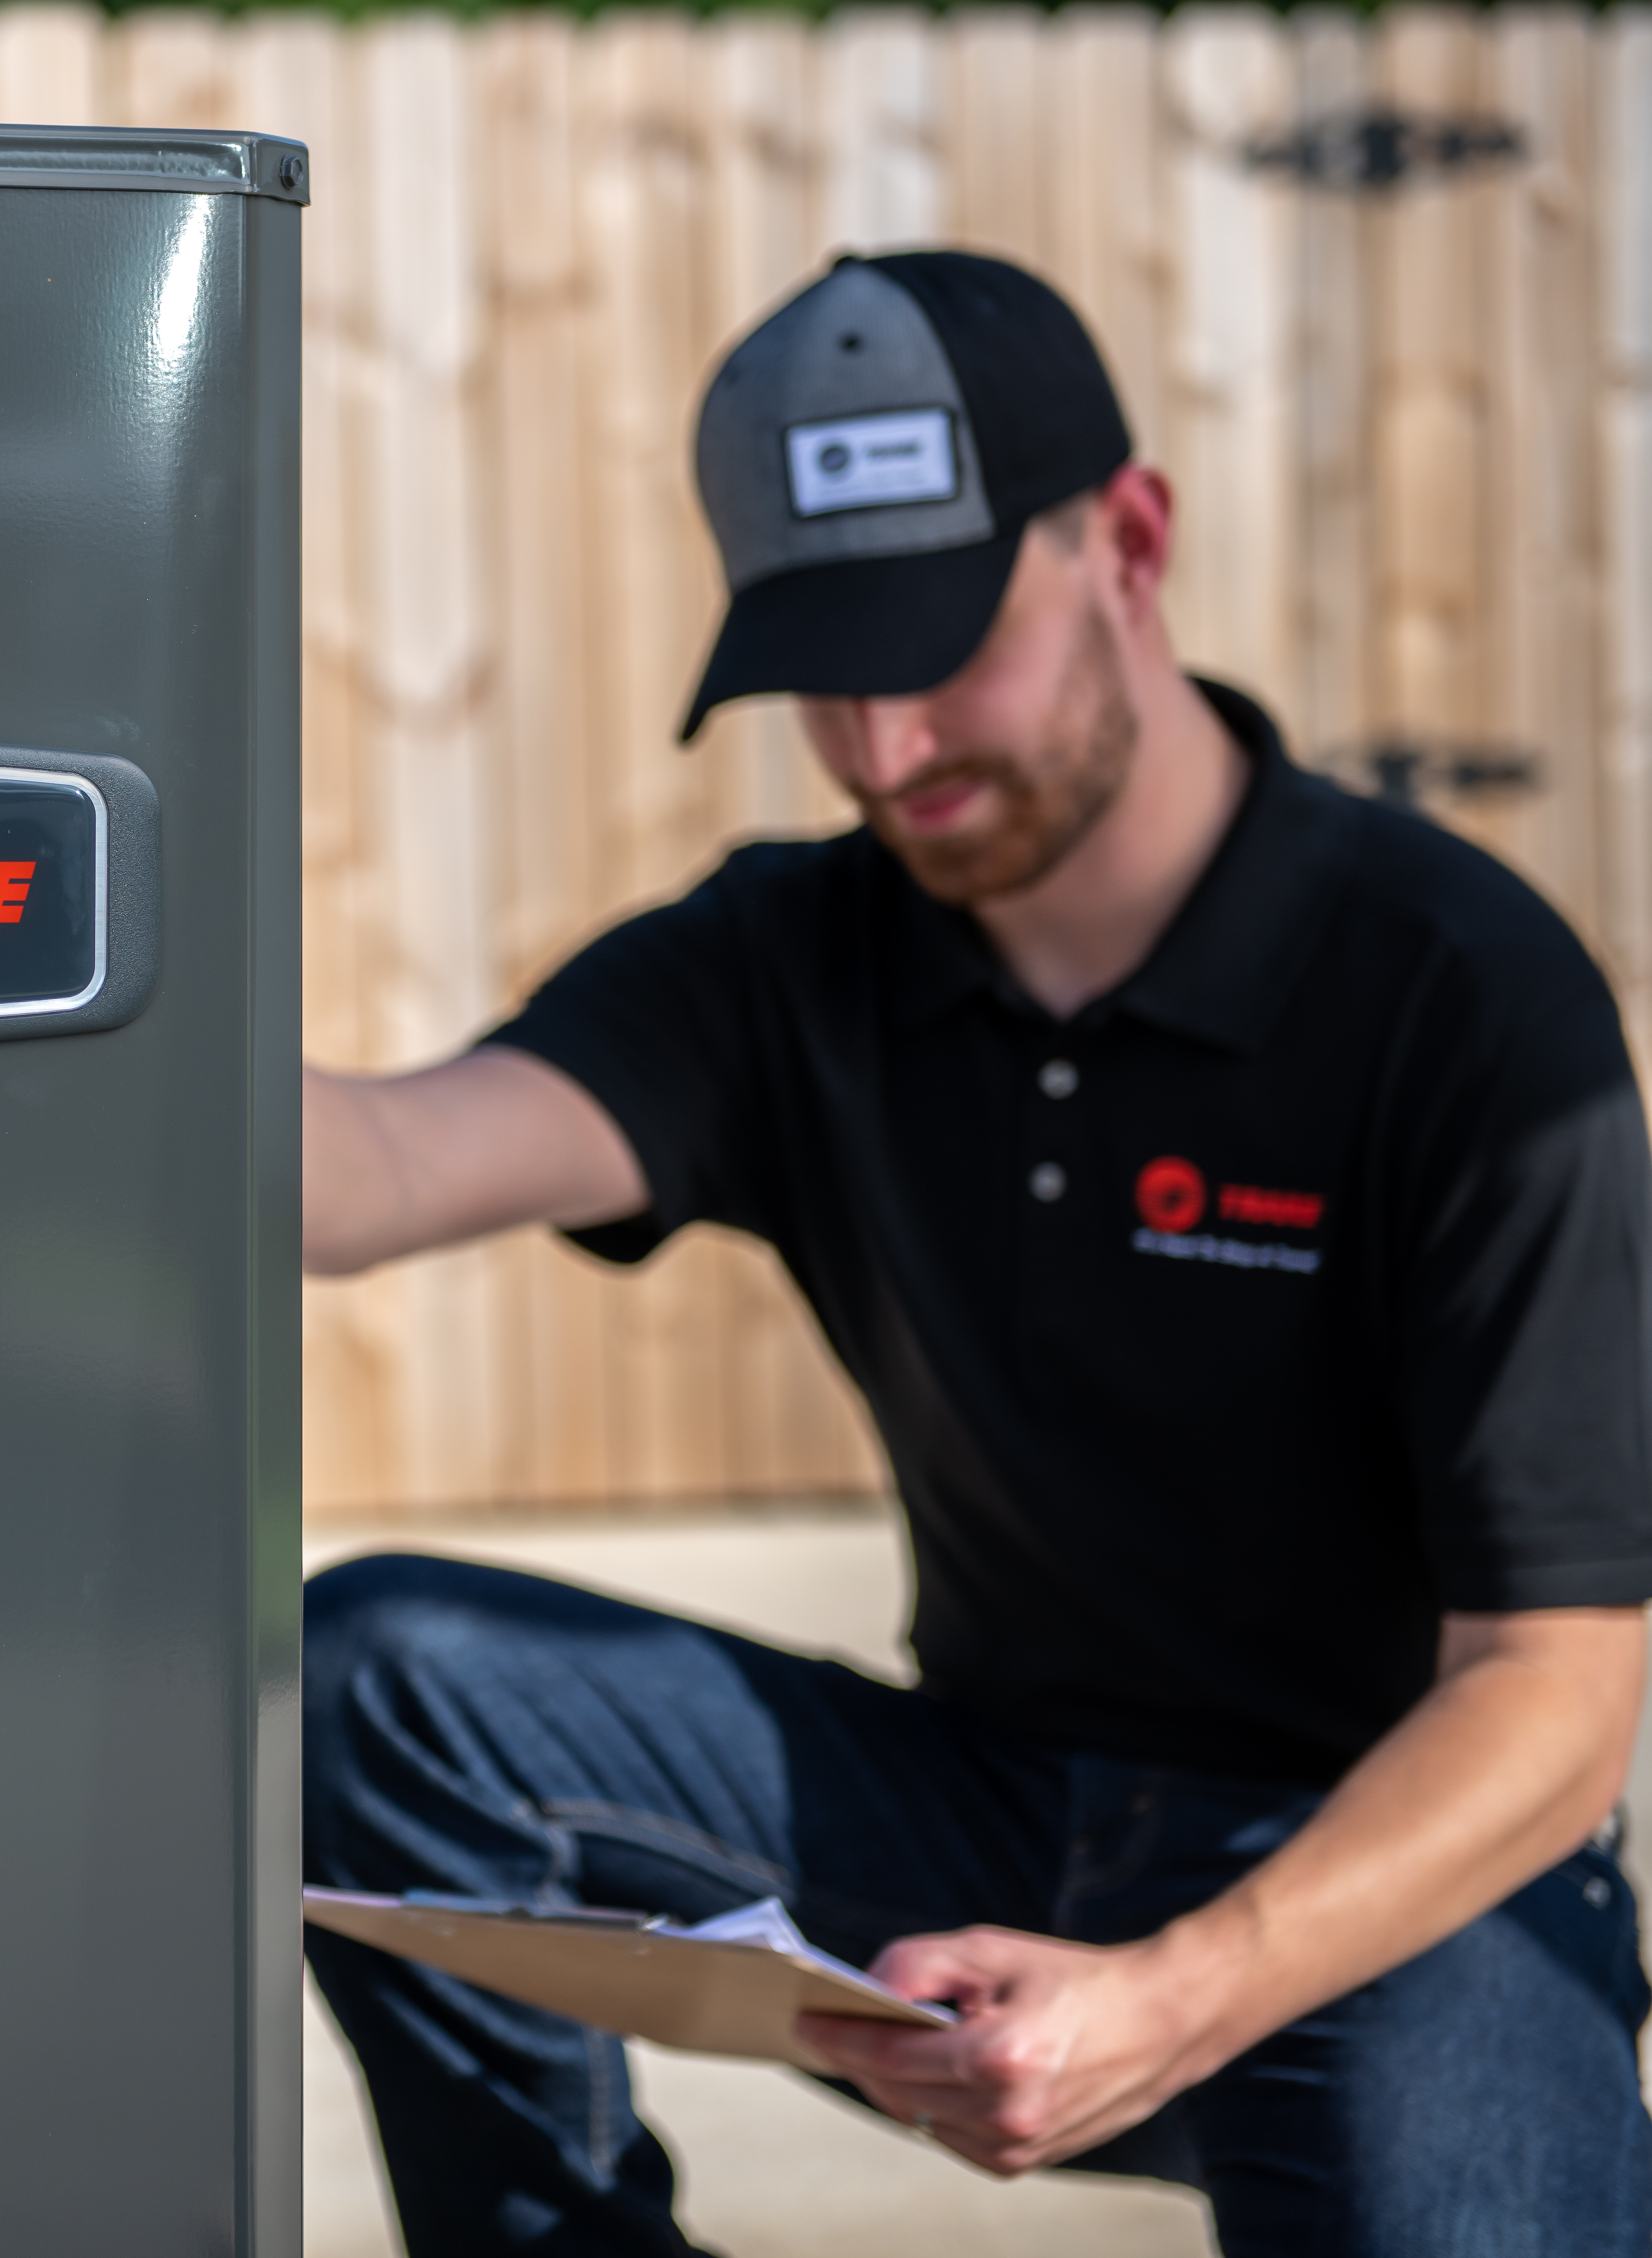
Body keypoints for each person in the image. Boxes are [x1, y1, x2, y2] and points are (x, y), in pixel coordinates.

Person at [301, 248, 1652, 2257]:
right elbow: (377, 1164)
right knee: (371, 1681)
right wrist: (67, 978)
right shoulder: (793, 955)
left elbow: (1558, 1691)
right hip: (988, 1816)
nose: (882, 741)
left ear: (1134, 539)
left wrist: (1181, 1989)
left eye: (943, 642)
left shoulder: (1460, 995)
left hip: (1392, 1876)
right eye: (821, 672)